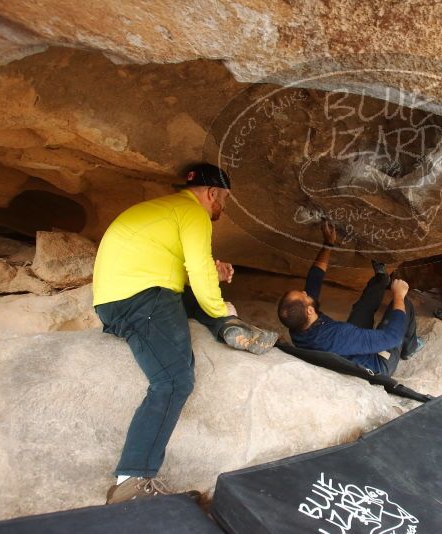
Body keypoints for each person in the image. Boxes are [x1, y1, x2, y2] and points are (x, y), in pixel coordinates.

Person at [93, 163, 278, 504]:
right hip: (143, 296)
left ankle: (228, 328)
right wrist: (220, 304)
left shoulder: (164, 209)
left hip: (116, 297)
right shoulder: (194, 214)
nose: (220, 208)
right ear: (211, 194)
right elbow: (196, 269)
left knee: (190, 297)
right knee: (174, 381)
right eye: (223, 201)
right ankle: (131, 480)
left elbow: (182, 270)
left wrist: (213, 270)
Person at [277, 221, 423, 376]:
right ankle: (410, 348)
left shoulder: (297, 325)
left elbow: (315, 278)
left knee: (361, 309)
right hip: (377, 365)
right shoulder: (339, 335)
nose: (306, 293)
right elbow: (391, 338)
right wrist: (399, 295)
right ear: (310, 310)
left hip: (347, 350)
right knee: (403, 304)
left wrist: (328, 244)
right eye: (304, 295)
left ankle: (381, 279)